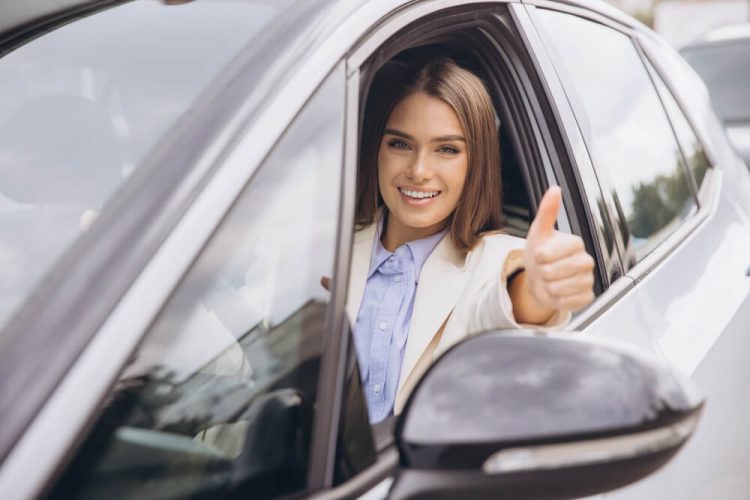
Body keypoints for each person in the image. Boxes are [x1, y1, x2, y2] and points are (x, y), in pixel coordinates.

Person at [347, 56, 595, 423]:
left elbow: (497, 311)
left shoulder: (498, 262)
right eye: (400, 144)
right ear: (376, 150)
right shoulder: (329, 245)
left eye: (447, 149)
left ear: (475, 162)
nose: (419, 171)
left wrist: (537, 292)